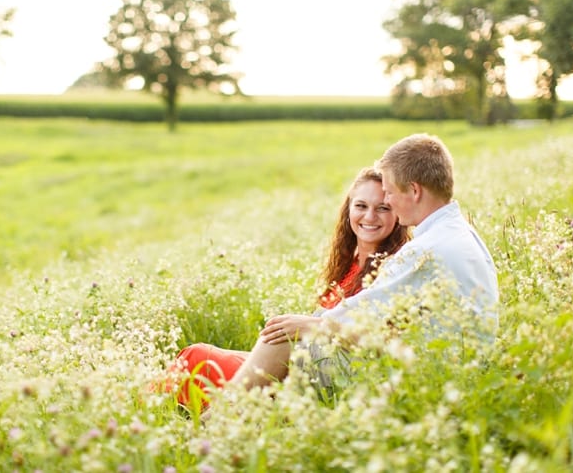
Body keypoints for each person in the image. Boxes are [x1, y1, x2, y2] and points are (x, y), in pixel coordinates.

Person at [226, 133, 499, 391]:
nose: (388, 199)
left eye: (389, 194)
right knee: (288, 346)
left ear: (414, 191)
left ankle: (214, 421)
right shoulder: (461, 233)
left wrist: (305, 325)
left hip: (425, 378)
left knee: (283, 337)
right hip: (449, 369)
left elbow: (355, 320)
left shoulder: (425, 250)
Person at [166, 167, 410, 406]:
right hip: (294, 365)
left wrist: (308, 327)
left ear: (398, 215)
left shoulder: (396, 271)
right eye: (361, 206)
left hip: (321, 378)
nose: (369, 217)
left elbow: (383, 340)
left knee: (199, 359)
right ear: (348, 209)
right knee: (196, 356)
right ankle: (155, 410)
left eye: (383, 208)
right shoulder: (349, 264)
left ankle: (202, 419)